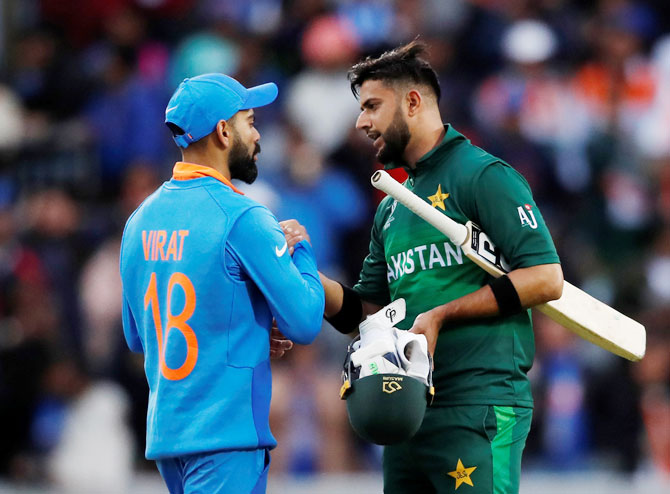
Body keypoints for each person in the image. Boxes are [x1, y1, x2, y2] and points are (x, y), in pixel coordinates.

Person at [291, 40, 564, 493]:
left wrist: (441, 315)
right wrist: (304, 279)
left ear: (413, 102)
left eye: (372, 106)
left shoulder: (483, 176)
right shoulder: (391, 207)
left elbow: (545, 277)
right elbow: (370, 312)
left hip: (478, 407)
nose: (361, 122)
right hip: (407, 409)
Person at [119, 73, 325, 494]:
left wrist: (242, 329)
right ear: (223, 131)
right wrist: (301, 248)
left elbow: (138, 337)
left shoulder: (138, 221)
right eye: (250, 121)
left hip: (168, 439)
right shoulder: (243, 216)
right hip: (227, 438)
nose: (258, 134)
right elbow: (305, 322)